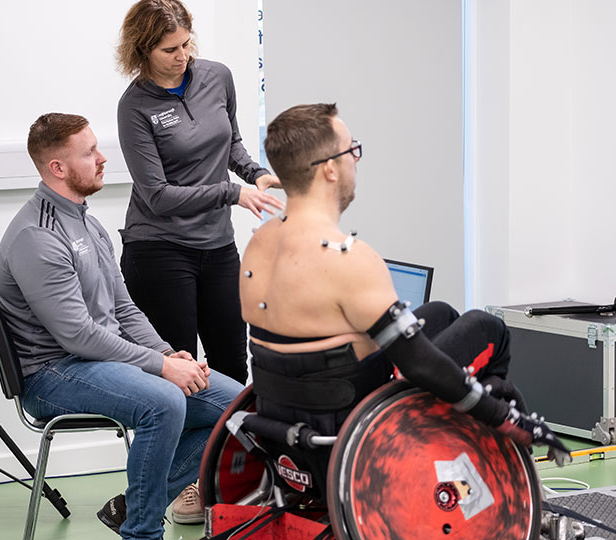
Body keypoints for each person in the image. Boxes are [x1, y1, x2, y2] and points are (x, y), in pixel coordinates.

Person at [240, 103, 568, 461]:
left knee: (440, 312)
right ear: (330, 169)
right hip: (359, 431)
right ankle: (472, 448)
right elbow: (420, 365)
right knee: (488, 328)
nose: (356, 160)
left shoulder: (259, 244)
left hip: (287, 422)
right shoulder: (349, 257)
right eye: (353, 151)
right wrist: (505, 416)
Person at [0, 113, 244, 540]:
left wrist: (166, 353)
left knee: (237, 407)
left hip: (93, 360)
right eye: (89, 153)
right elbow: (77, 336)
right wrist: (161, 369)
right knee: (163, 401)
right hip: (52, 373)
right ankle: (142, 532)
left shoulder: (87, 222)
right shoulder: (37, 236)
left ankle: (133, 506)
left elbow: (124, 309)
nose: (102, 158)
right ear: (58, 168)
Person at [116, 0, 282, 386]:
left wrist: (254, 173)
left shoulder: (217, 76)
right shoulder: (135, 107)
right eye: (170, 50)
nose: (183, 56)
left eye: (187, 44)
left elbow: (231, 141)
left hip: (217, 246)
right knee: (179, 376)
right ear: (143, 51)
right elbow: (157, 195)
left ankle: (227, 449)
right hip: (160, 249)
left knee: (232, 369)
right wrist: (231, 193)